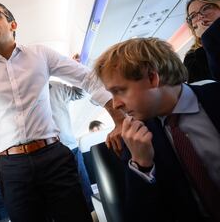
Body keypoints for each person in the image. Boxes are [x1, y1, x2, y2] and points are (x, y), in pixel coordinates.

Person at [0, 0, 123, 222]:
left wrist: (119, 120)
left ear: (13, 24)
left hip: (52, 155)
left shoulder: (40, 55)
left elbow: (88, 79)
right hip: (11, 168)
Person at [94, 37, 220, 222]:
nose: (115, 104)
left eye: (120, 90)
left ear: (152, 77)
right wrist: (141, 163)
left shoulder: (216, 96)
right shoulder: (135, 141)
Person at [49, 81, 94, 213]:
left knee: (85, 193)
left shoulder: (56, 87)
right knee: (60, 200)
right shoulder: (25, 97)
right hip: (45, 155)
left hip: (70, 148)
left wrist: (75, 71)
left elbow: (81, 93)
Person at [183, 0, 220, 83]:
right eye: (193, 16)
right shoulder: (191, 58)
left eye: (206, 8)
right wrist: (207, 37)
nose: (200, 17)